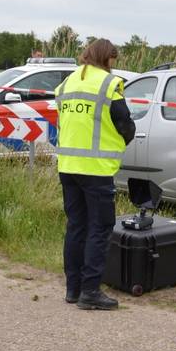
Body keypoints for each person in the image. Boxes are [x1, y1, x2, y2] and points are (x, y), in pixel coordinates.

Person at [55, 39, 136, 309]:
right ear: (107, 58)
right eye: (114, 59)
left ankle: (73, 289)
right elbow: (124, 122)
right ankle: (90, 292)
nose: (115, 65)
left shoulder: (67, 82)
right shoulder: (109, 84)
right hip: (96, 170)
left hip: (68, 167)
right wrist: (125, 138)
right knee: (99, 229)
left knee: (76, 226)